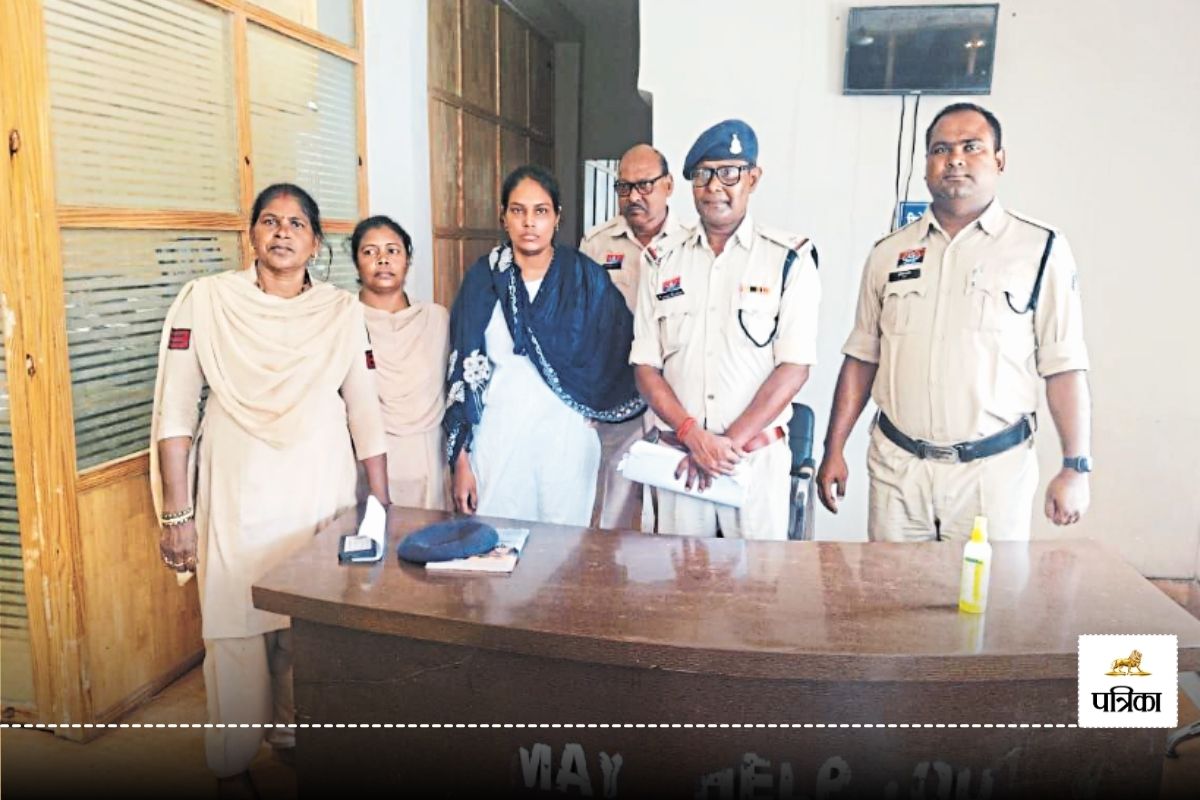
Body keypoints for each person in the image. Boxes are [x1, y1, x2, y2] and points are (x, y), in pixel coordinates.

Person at [151, 184, 389, 794]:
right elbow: (175, 412)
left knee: (305, 623)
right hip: (237, 489)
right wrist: (177, 514)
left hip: (319, 489)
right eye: (270, 221)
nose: (282, 232)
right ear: (252, 234)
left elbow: (365, 410)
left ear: (315, 242)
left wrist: (381, 503)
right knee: (233, 625)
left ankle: (291, 734)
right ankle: (231, 763)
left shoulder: (341, 312)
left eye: (296, 223)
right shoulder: (207, 301)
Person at [816, 102, 1092, 542]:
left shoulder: (1040, 248)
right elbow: (863, 357)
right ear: (926, 164)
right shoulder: (888, 253)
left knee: (987, 588)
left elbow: (1063, 366)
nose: (955, 159)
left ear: (999, 160)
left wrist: (1075, 467)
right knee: (892, 587)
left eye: (971, 147)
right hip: (898, 471)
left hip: (993, 474)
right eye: (941, 149)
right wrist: (834, 448)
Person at [630, 119, 820, 540]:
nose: (715, 186)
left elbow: (794, 368)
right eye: (703, 174)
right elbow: (645, 367)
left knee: (757, 581)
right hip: (680, 461)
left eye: (729, 173)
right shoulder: (661, 259)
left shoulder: (788, 258)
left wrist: (724, 446)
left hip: (753, 463)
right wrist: (693, 437)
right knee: (678, 580)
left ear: (753, 178)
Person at [445, 164, 644, 526]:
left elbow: (623, 346)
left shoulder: (583, 277)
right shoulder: (483, 279)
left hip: (566, 438)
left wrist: (599, 407)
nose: (529, 222)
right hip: (498, 435)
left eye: (540, 211)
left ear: (557, 217)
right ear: (504, 217)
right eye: (518, 210)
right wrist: (461, 461)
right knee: (496, 543)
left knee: (562, 546)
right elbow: (460, 371)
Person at [579, 143, 686, 531]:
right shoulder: (597, 245)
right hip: (617, 402)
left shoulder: (691, 245)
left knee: (673, 519)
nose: (634, 196)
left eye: (644, 185)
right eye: (624, 187)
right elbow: (583, 328)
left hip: (675, 402)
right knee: (612, 515)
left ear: (668, 185)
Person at [353, 215, 450, 510]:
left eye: (392, 251)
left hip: (431, 458)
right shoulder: (344, 320)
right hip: (367, 462)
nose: (382, 260)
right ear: (357, 262)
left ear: (407, 260)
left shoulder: (436, 319)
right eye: (370, 252)